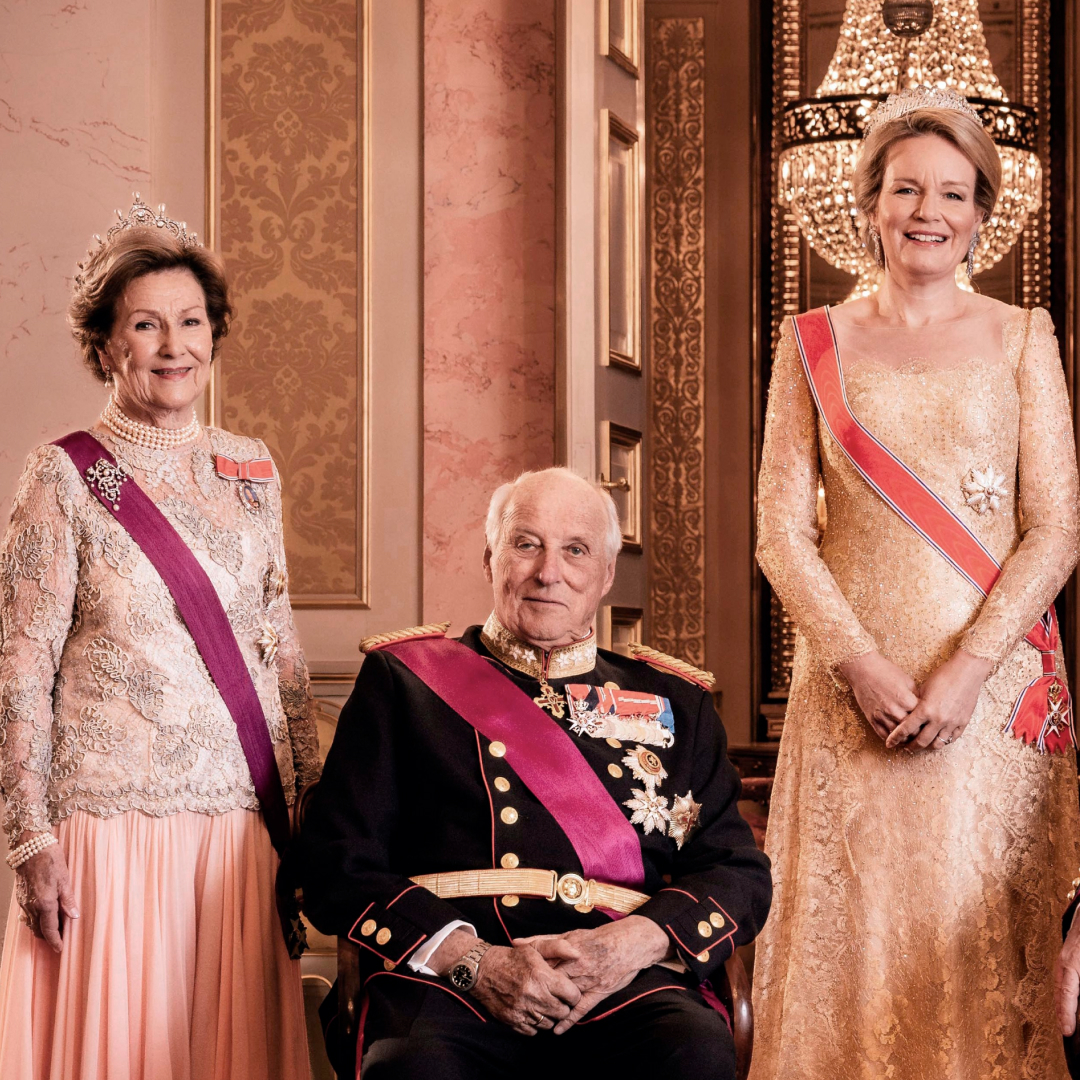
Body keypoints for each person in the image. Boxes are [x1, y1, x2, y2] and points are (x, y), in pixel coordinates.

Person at [752, 86, 1080, 1079]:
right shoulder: (812, 339)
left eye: (951, 191)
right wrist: (856, 664)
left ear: (983, 213)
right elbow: (777, 532)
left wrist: (968, 670)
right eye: (906, 189)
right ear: (871, 204)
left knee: (975, 944)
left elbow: (1055, 528)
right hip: (849, 700)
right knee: (855, 940)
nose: (927, 210)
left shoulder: (1025, 337)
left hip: (989, 703)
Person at [300, 467, 771, 1079]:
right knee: (412, 1066)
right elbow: (339, 863)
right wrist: (474, 962)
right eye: (527, 544)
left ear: (605, 576)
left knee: (693, 1056)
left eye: (575, 550)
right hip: (452, 984)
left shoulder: (677, 702)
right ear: (491, 557)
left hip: (621, 985)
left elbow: (736, 870)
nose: (549, 572)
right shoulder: (405, 683)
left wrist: (636, 944)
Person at [0, 196, 320, 1079]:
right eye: (147, 324)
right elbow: (19, 669)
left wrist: (310, 815)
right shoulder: (61, 475)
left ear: (215, 334)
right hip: (109, 831)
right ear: (106, 345)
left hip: (236, 831)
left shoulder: (251, 467)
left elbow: (282, 652)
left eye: (192, 321)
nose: (175, 345)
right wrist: (32, 840)